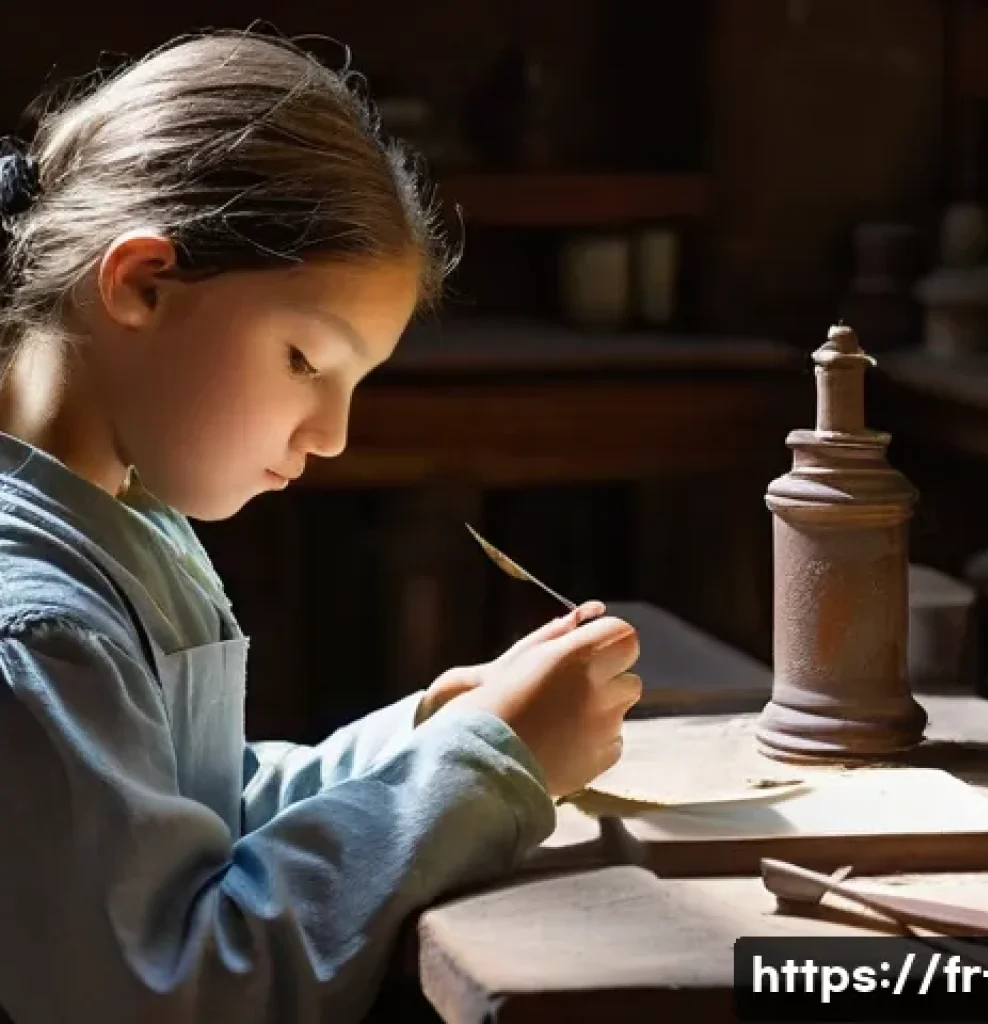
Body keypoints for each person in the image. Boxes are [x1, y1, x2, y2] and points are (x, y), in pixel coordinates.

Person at [0, 29, 642, 1024]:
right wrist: (482, 768)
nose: (333, 435)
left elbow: (203, 816)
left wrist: (429, 734)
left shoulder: (128, 522)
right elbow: (162, 991)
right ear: (141, 284)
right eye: (307, 360)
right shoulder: (37, 626)